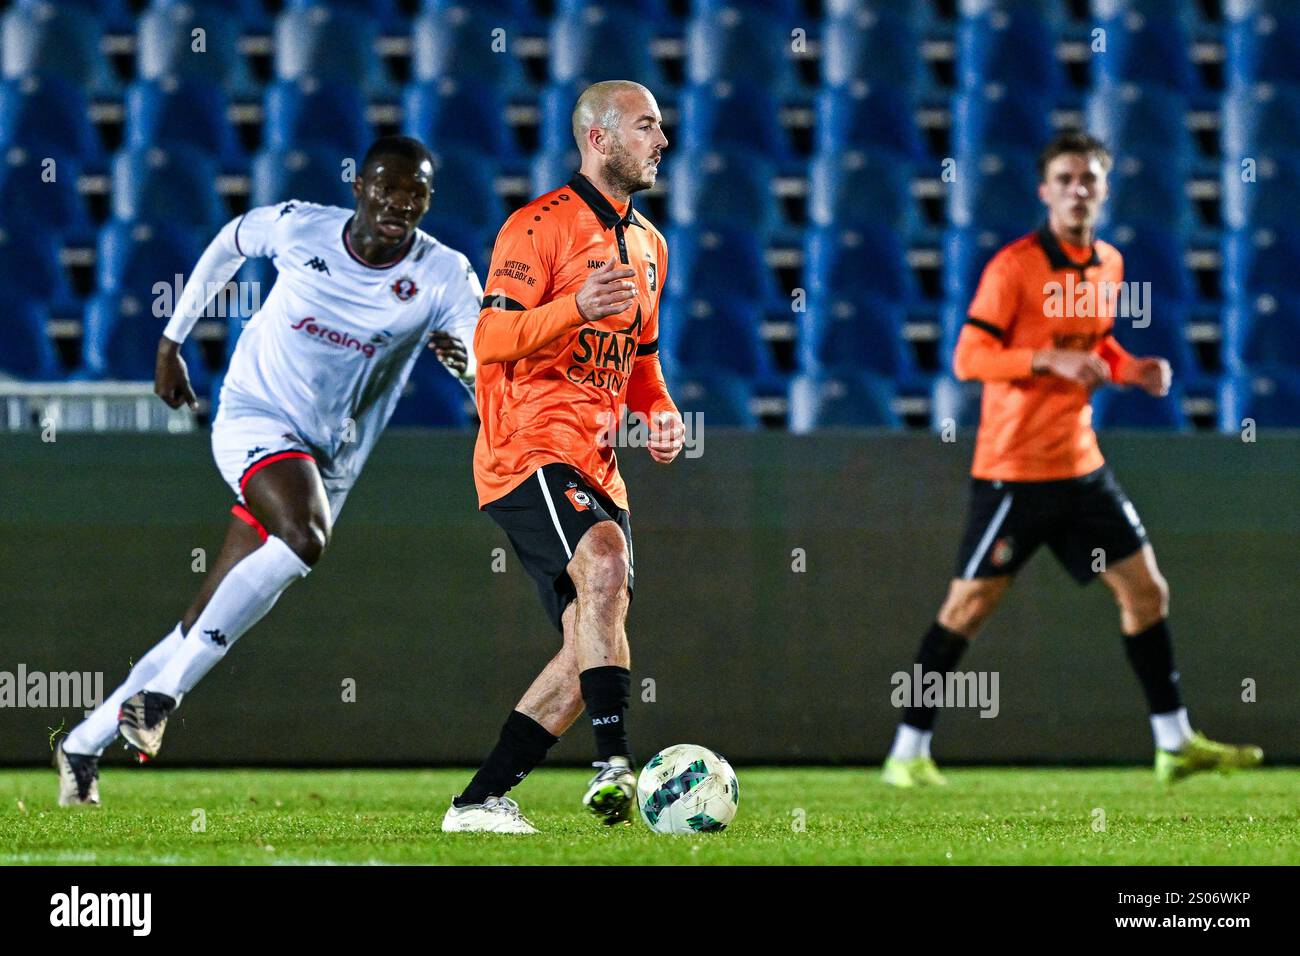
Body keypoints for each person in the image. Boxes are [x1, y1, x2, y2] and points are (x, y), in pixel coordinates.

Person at [56, 136, 481, 806]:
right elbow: (229, 240)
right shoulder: (298, 226)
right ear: (359, 188)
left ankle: (83, 741)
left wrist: (484, 393)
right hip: (254, 416)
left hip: (329, 456)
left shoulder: (444, 276)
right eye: (389, 187)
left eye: (417, 192)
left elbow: (483, 373)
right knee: (304, 538)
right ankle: (161, 698)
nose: (401, 202)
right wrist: (172, 340)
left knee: (203, 622)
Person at [881, 131, 1263, 787]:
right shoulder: (1014, 267)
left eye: (1089, 178)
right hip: (1015, 472)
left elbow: (1096, 342)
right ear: (1045, 190)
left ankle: (1173, 744)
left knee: (1147, 592)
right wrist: (1044, 360)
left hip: (1082, 467)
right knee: (966, 610)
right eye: (1065, 178)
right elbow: (968, 359)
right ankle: (907, 752)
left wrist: (1128, 368)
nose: (1078, 189)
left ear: (1104, 189)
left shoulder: (1107, 264)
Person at [441, 80, 684, 834]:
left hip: (599, 461)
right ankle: (615, 768)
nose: (662, 140)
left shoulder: (651, 247)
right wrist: (574, 307)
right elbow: (491, 340)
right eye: (646, 126)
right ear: (599, 138)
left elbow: (642, 362)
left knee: (592, 644)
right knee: (604, 560)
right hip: (526, 448)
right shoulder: (535, 227)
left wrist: (662, 412)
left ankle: (479, 802)